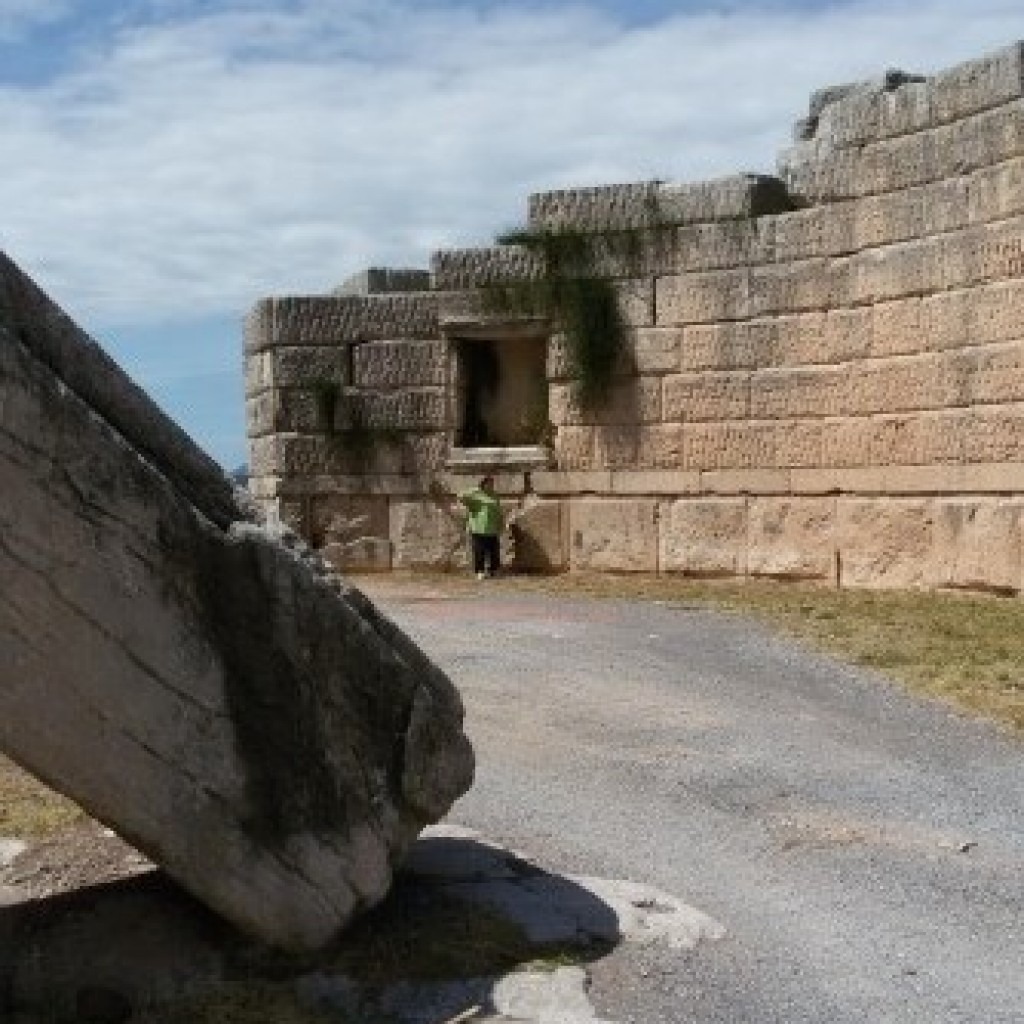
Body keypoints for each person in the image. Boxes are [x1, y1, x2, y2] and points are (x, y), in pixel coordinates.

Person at [458, 475, 504, 579]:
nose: (491, 485)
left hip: (492, 528)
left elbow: (499, 512)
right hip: (479, 528)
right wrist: (476, 489)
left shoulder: (494, 496)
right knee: (479, 551)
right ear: (483, 484)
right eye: (488, 483)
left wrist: (501, 524)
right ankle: (480, 571)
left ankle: (494, 570)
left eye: (492, 483)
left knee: (494, 551)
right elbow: (461, 496)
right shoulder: (476, 496)